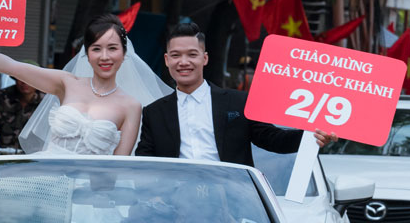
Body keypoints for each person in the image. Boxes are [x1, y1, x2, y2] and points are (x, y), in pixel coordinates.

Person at [0, 13, 168, 156]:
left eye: (112, 48)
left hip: (93, 193)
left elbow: (119, 163)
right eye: (96, 49)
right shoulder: (66, 83)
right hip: (51, 180)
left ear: (124, 53)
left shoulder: (131, 106)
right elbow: (10, 66)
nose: (104, 57)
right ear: (87, 53)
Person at [136, 20, 334, 164]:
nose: (184, 62)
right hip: (175, 206)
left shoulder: (238, 102)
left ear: (204, 59)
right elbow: (145, 162)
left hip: (231, 204)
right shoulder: (154, 113)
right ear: (166, 60)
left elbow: (274, 140)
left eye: (192, 55)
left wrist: (311, 136)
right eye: (176, 55)